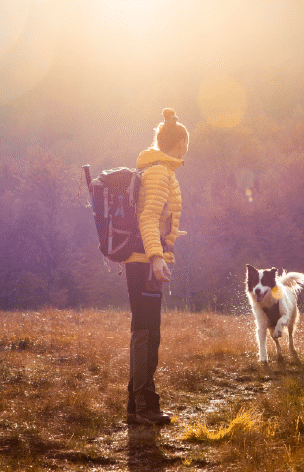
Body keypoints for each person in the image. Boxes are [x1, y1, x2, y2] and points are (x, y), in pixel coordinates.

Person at [125, 108, 188, 426]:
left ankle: (137, 404)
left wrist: (171, 236)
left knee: (147, 332)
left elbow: (157, 217)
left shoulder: (156, 169)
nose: (186, 149)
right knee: (147, 334)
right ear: (180, 144)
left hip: (144, 260)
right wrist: (157, 256)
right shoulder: (160, 171)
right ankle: (144, 406)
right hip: (145, 263)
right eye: (185, 143)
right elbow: (148, 217)